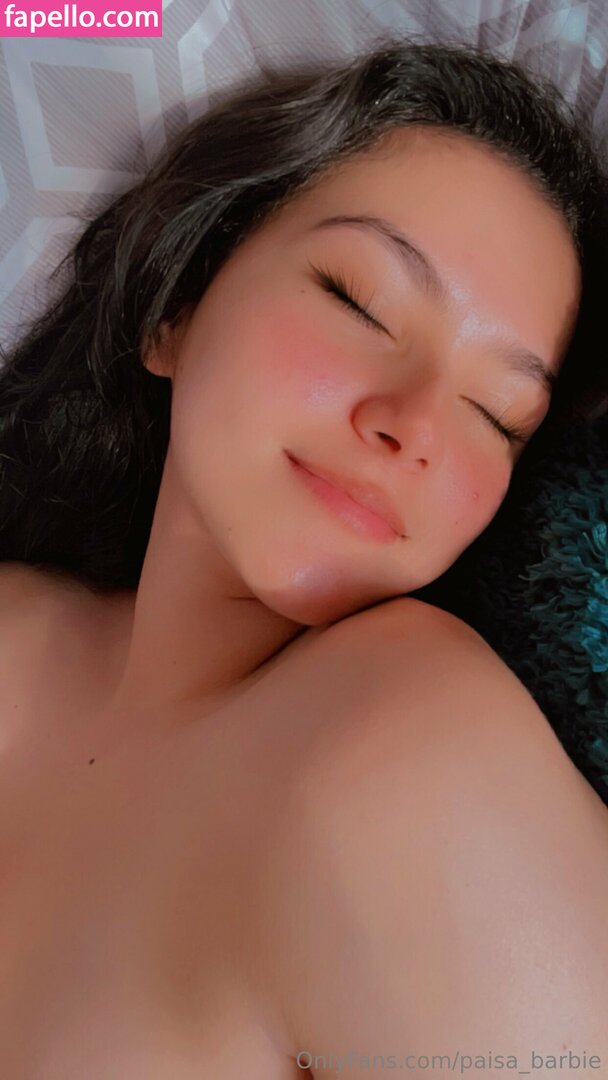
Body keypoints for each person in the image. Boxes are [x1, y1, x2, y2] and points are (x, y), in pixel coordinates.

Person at [0, 38, 607, 1079]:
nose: (415, 425)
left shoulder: (408, 754)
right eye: (358, 300)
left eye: (497, 415)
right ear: (176, 306)